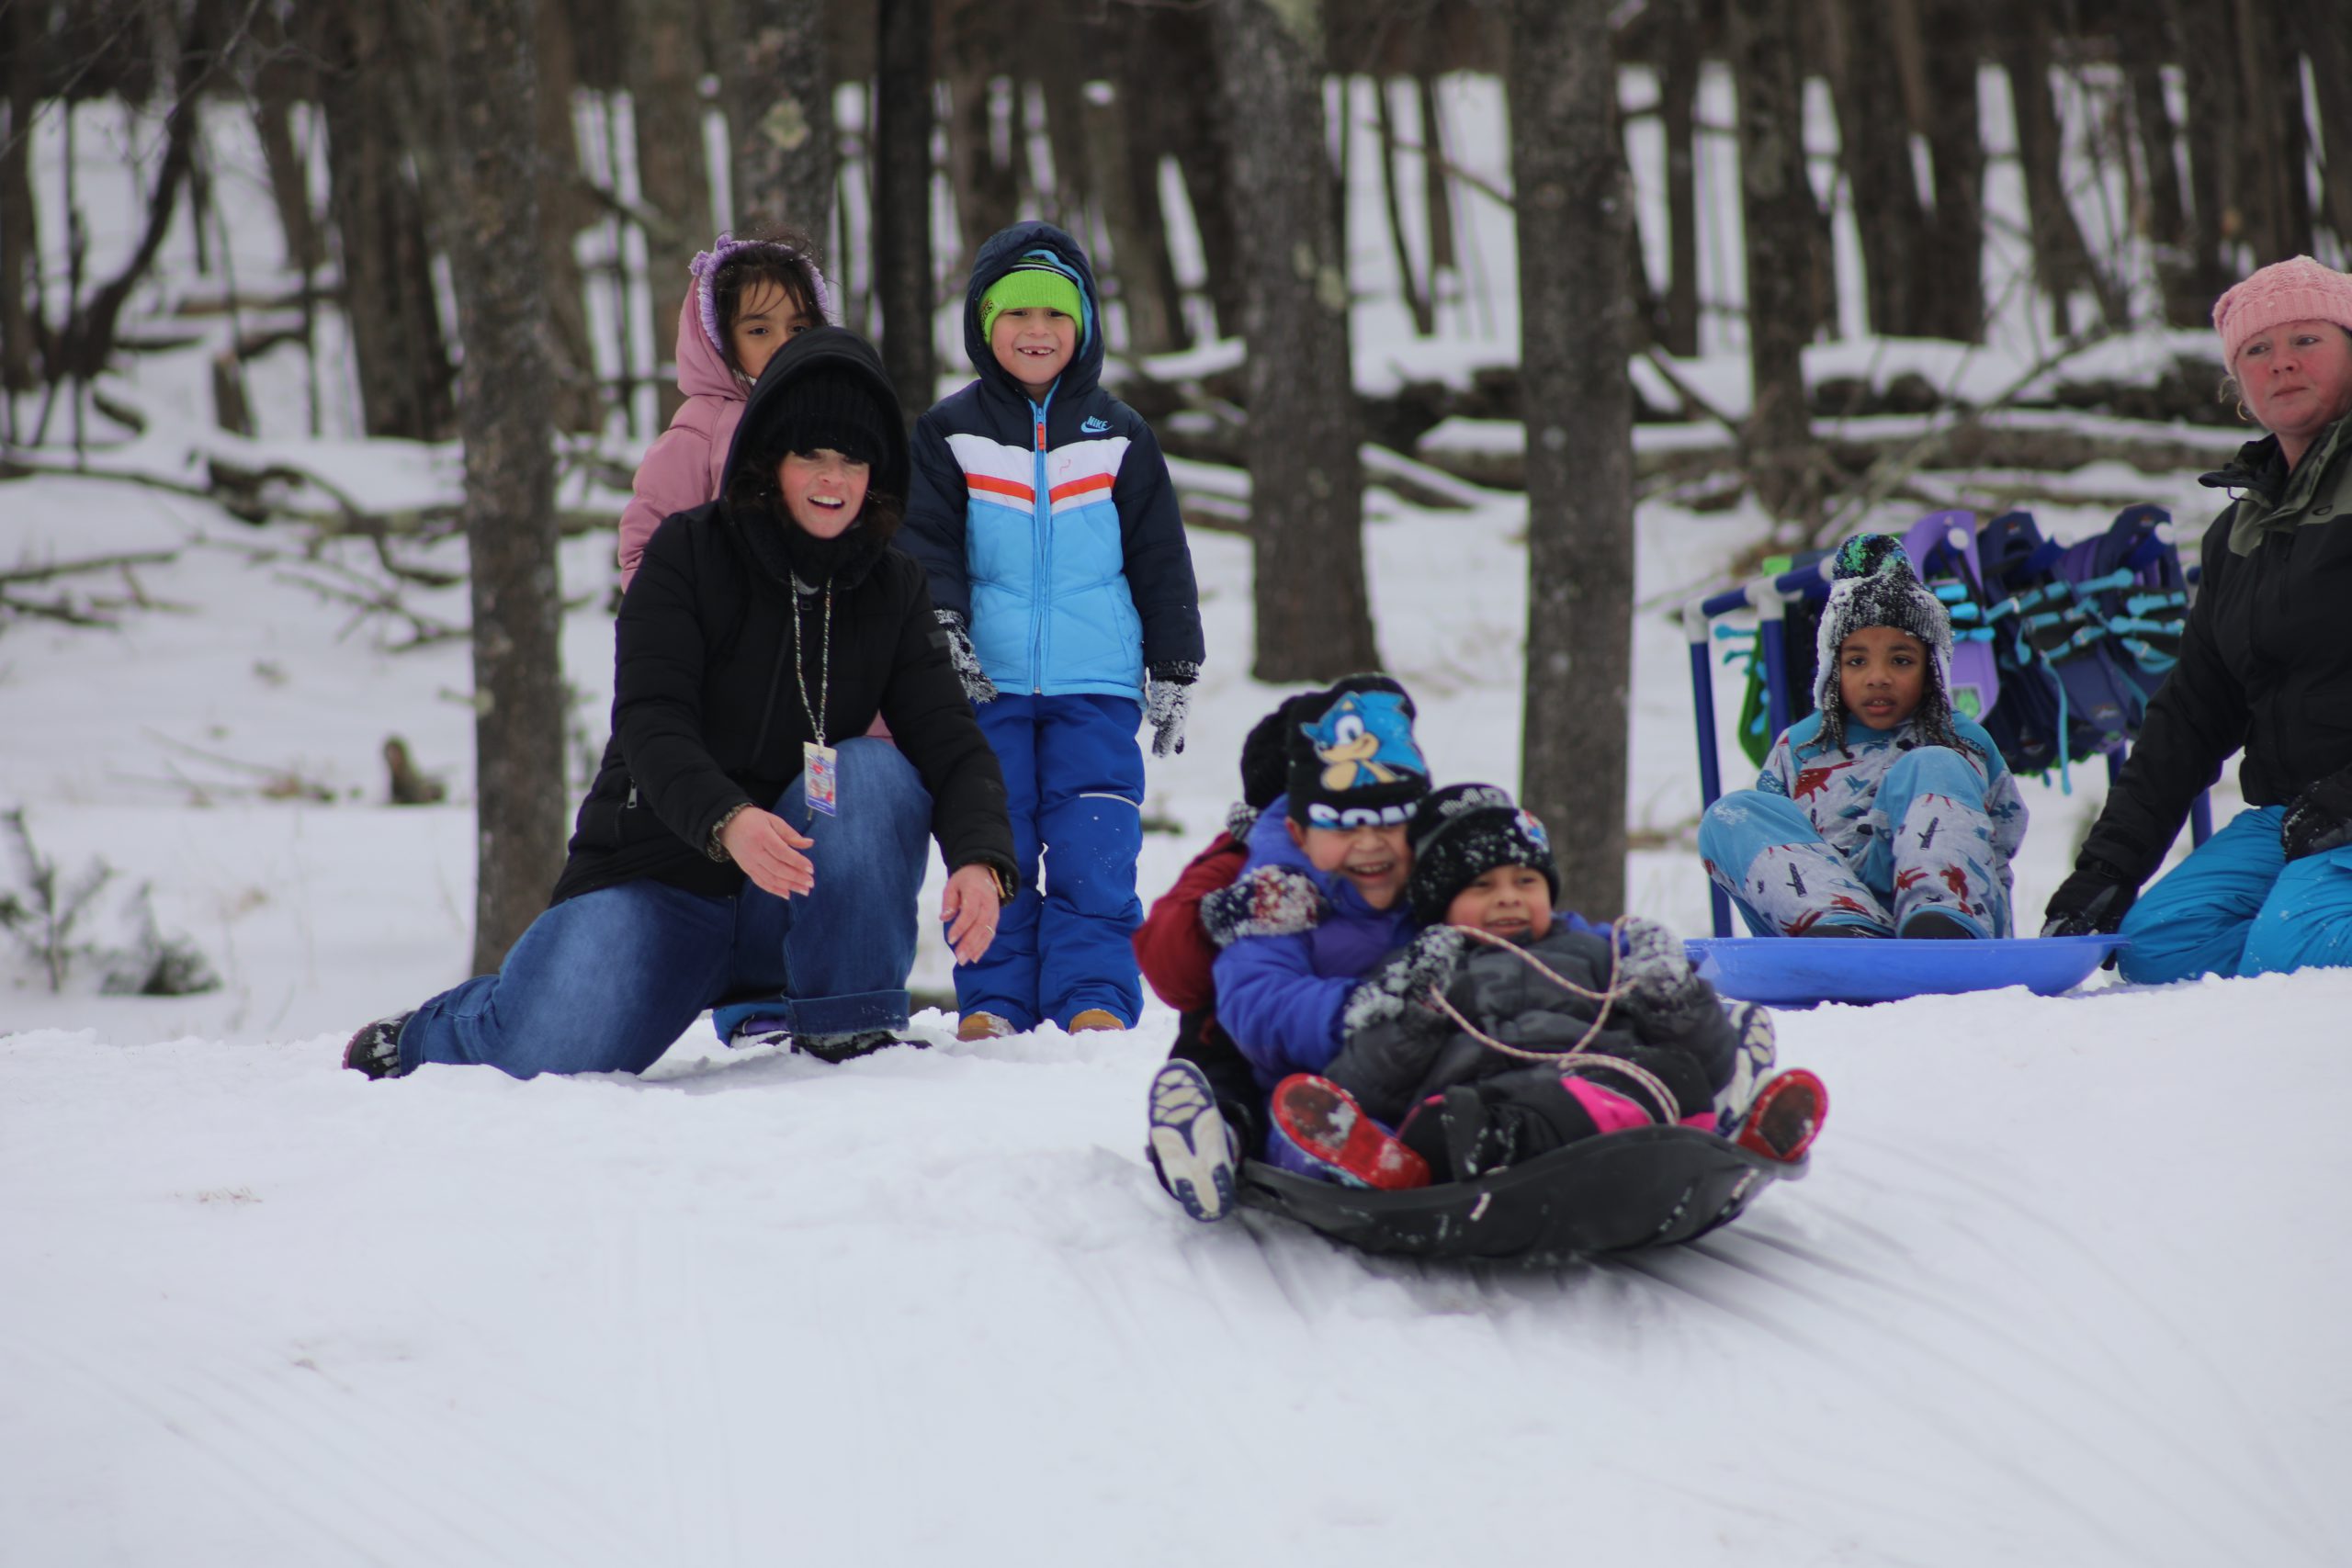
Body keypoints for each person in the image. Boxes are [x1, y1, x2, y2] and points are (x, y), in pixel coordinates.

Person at [343, 328, 1018, 1079]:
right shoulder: (687, 555)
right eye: (811, 456)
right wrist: (727, 820)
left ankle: (849, 1025)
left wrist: (981, 857)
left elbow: (951, 740)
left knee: (872, 774)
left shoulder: (893, 586)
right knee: (539, 1056)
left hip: (789, 891)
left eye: (853, 459)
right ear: (771, 460)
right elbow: (650, 721)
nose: (833, 479)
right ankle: (429, 1032)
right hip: (659, 885)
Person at [901, 220, 1205, 1042]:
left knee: (1094, 842)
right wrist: (942, 633)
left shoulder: (1120, 435)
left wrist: (1174, 659)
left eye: (1056, 317)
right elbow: (926, 546)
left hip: (1096, 685)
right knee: (996, 840)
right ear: (982, 324)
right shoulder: (948, 433)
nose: (1037, 332)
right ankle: (994, 999)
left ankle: (1094, 994)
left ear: (1084, 328)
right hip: (985, 682)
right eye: (1016, 315)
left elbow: (1159, 553)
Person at [2044, 256, 2352, 981]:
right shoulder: (2238, 534)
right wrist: (2105, 871)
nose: (2281, 363)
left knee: (2293, 951)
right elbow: (2193, 711)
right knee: (2158, 948)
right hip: (2294, 815)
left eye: (2306, 340)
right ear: (2237, 384)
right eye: (2257, 349)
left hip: (2342, 803)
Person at [1284, 784, 1815, 1190]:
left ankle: (1734, 1145)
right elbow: (1365, 1079)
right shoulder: (1420, 968)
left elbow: (1704, 1054)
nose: (1508, 898)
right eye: (1481, 886)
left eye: (1526, 882)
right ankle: (1396, 1168)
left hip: (1602, 1084)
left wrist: (1668, 992)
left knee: (1677, 1072)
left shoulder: (1593, 954)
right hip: (1492, 1111)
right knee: (1446, 1118)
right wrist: (1418, 1011)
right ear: (1439, 905)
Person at [1699, 533, 2029, 939]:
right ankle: (1843, 930)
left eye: (1901, 660)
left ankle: (1940, 923)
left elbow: (2003, 831)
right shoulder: (1800, 746)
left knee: (1935, 762)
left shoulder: (1960, 738)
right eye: (1857, 660)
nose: (1878, 678)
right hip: (1827, 921)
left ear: (1932, 670)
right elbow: (1774, 841)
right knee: (1729, 815)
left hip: (1946, 920)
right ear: (1833, 669)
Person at [1137, 694, 1314, 1222]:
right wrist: (1218, 917)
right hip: (1235, 1033)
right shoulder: (1236, 858)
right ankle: (1214, 1139)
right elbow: (1166, 958)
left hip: (1332, 1032)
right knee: (1219, 1068)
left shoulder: (1379, 858)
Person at [618, 228, 831, 590]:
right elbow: (646, 556)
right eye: (759, 330)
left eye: (798, 328)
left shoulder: (830, 415)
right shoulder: (700, 433)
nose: (783, 344)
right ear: (718, 338)